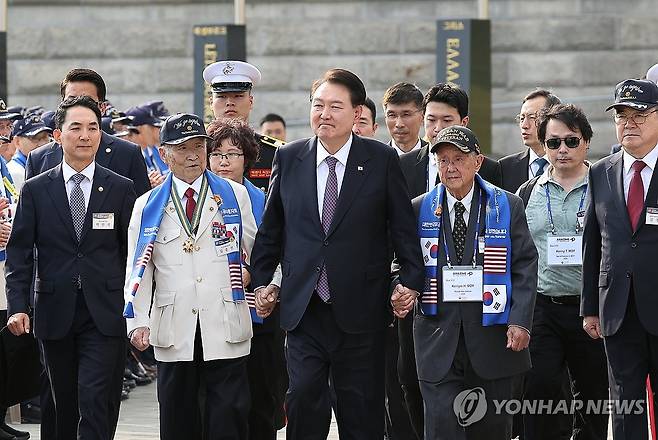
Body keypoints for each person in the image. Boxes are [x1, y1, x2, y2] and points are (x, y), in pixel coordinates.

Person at [250, 68, 425, 439]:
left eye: (334, 106)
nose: (324, 114)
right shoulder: (290, 159)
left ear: (357, 113)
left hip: (362, 310)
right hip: (304, 309)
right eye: (318, 105)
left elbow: (402, 230)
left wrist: (410, 280)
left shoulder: (380, 160)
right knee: (302, 402)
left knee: (361, 412)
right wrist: (263, 281)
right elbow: (271, 230)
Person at [5, 96, 136, 440]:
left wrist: (137, 308)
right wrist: (18, 306)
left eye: (93, 128)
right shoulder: (35, 190)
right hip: (53, 309)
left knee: (94, 397)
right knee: (63, 402)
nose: (85, 135)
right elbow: (19, 252)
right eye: (75, 127)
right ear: (57, 135)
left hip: (105, 313)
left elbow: (132, 253)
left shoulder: (120, 188)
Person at [125, 113, 258, 440]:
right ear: (164, 152)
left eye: (199, 146)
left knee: (228, 417)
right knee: (178, 418)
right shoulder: (147, 205)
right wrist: (137, 321)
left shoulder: (233, 194)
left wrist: (253, 273)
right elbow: (139, 267)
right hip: (175, 325)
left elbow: (257, 248)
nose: (192, 155)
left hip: (225, 319)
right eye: (182, 148)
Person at [413, 125, 537, 440]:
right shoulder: (419, 208)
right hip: (438, 338)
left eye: (458, 159)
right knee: (442, 427)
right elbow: (402, 264)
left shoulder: (506, 205)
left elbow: (524, 264)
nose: (450, 167)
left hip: (493, 339)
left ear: (477, 162)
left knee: (492, 430)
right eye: (443, 160)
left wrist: (520, 321)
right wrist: (399, 289)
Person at [397, 83, 502, 438]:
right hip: (428, 314)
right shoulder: (400, 171)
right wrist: (398, 286)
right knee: (421, 400)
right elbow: (395, 247)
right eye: (431, 120)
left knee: (483, 419)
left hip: (484, 319)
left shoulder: (498, 191)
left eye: (447, 120)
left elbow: (520, 261)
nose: (438, 128)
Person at [518, 104, 608, 440]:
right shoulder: (528, 192)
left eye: (571, 141)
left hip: (591, 307)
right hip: (543, 308)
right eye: (553, 143)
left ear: (586, 141)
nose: (562, 150)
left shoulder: (605, 184)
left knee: (593, 398)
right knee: (538, 390)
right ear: (543, 145)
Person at [581, 78, 658, 440]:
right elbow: (593, 243)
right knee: (625, 406)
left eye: (640, 114)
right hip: (617, 309)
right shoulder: (600, 172)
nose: (629, 122)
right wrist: (589, 307)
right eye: (622, 115)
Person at [206, 118, 285, 440]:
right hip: (210, 316)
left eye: (233, 154)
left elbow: (279, 253)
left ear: (247, 159)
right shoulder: (196, 201)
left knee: (260, 403)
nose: (224, 161)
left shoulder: (263, 200)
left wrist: (258, 277)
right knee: (219, 407)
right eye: (217, 153)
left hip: (256, 314)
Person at [25, 68, 150, 197]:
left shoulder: (127, 154)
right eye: (71, 101)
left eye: (88, 101)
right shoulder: (38, 159)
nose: (79, 107)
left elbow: (141, 211)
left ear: (102, 108)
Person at [203, 60, 284, 192]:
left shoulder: (276, 153)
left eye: (238, 96)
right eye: (222, 96)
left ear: (250, 101)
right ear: (211, 103)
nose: (229, 102)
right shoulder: (199, 149)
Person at [499, 89, 561, 193]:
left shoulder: (567, 162)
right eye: (522, 118)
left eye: (532, 117)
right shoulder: (505, 168)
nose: (524, 125)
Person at [7, 115, 52, 192]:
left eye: (45, 137)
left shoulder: (48, 165)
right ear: (17, 142)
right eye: (35, 138)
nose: (42, 144)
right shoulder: (14, 172)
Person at [383, 83, 426, 155]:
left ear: (422, 117)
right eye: (392, 115)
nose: (399, 124)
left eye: (406, 115)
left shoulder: (435, 155)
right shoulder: (376, 158)